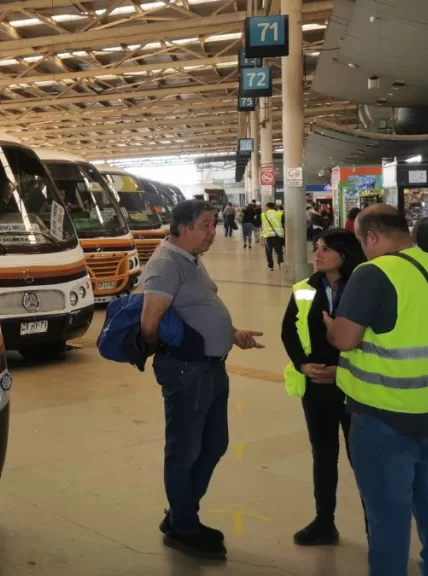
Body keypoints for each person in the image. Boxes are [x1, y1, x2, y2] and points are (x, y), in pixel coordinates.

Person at [324, 204, 428, 576]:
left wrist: (330, 323)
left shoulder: (373, 273)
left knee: (388, 512)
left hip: (383, 412)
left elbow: (345, 338)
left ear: (372, 236)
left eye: (362, 242)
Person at [139, 199, 265, 560]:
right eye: (206, 225)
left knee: (214, 444)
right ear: (182, 226)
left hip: (209, 368)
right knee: (184, 451)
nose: (213, 232)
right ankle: (184, 527)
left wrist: (231, 333)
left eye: (213, 224)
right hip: (188, 371)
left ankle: (180, 515)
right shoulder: (165, 264)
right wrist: (174, 353)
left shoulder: (189, 260)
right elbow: (150, 324)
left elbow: (197, 311)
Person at [280, 230, 368, 546]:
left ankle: (376, 527)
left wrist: (342, 370)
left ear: (344, 254)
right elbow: (289, 331)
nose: (317, 253)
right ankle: (324, 522)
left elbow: (373, 337)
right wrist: (303, 365)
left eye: (326, 248)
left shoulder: (363, 287)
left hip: (356, 386)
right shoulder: (305, 289)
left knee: (363, 459)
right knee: (324, 454)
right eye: (316, 247)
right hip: (317, 387)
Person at [261, 201, 285, 271]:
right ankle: (281, 265)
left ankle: (270, 267)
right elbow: (283, 222)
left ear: (267, 207)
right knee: (279, 252)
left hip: (267, 236)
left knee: (269, 252)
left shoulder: (263, 214)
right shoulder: (280, 213)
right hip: (277, 236)